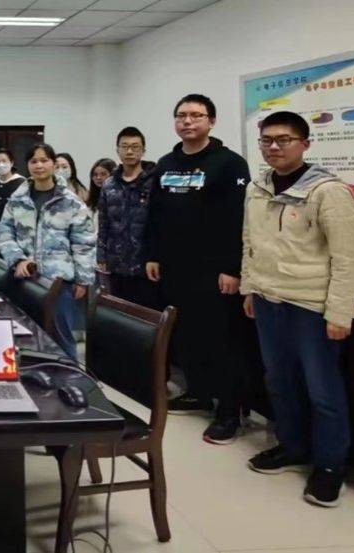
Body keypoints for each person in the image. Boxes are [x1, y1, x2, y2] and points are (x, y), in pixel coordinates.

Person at [241, 111, 354, 507]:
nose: (274, 147)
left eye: (284, 139)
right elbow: (249, 240)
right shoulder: (257, 187)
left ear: (305, 144)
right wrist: (249, 287)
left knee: (323, 390)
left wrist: (340, 312)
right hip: (267, 299)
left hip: (311, 305)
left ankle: (330, 467)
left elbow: (348, 258)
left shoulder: (328, 191)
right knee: (279, 380)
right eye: (267, 140)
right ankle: (292, 447)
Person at [146, 93, 252, 444]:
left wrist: (233, 268)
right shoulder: (166, 163)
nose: (188, 121)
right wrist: (153, 255)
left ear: (211, 121)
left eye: (196, 115)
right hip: (176, 268)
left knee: (221, 340)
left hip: (215, 271)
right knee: (187, 337)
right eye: (181, 115)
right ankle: (199, 393)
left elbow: (238, 219)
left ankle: (229, 412)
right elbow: (155, 213)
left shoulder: (229, 164)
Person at [0, 143, 94, 360]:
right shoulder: (17, 199)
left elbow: (84, 242)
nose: (39, 166)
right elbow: (4, 232)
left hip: (58, 282)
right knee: (25, 338)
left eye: (44, 160)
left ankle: (71, 377)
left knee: (61, 339)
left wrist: (83, 279)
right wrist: (18, 259)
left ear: (53, 163)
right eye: (34, 161)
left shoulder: (71, 202)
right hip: (24, 278)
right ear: (27, 165)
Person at [97, 128, 159, 308]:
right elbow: (103, 222)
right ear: (117, 150)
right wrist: (101, 255)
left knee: (145, 314)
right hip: (116, 263)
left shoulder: (154, 182)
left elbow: (160, 223)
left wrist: (156, 256)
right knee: (119, 313)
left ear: (143, 151)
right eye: (124, 147)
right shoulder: (109, 184)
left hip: (146, 265)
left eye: (135, 147)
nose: (129, 151)